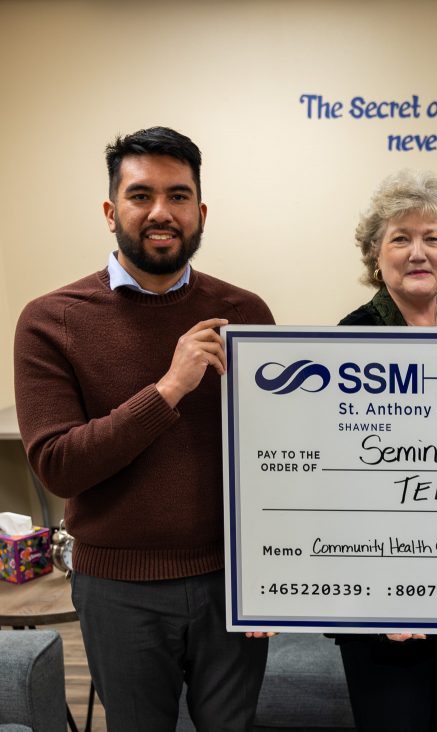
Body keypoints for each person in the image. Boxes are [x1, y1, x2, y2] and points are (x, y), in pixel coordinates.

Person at [13, 127, 274, 730]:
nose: (161, 212)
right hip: (118, 589)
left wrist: (276, 569)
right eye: (141, 195)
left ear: (201, 211)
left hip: (228, 583)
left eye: (179, 196)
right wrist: (169, 388)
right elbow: (57, 464)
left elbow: (275, 455)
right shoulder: (51, 321)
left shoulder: (246, 314)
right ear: (111, 211)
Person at [332, 169, 437, 731]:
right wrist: (383, 593)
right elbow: (341, 480)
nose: (417, 252)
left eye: (433, 238)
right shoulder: (346, 342)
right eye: (400, 238)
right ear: (376, 254)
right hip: (382, 597)